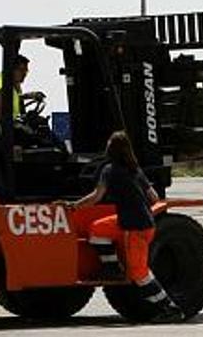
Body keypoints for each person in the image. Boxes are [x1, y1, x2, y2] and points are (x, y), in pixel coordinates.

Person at [59, 131, 183, 322]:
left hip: (135, 227)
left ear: (110, 149)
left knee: (139, 273)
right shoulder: (135, 170)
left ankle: (169, 307)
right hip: (141, 222)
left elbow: (96, 197)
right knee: (97, 229)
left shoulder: (109, 170)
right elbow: (154, 197)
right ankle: (112, 268)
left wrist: (74, 205)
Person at [0, 54, 42, 121]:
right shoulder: (2, 87)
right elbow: (1, 119)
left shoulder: (9, 81)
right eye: (21, 70)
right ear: (12, 69)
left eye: (26, 71)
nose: (24, 74)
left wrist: (30, 95)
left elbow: (15, 97)